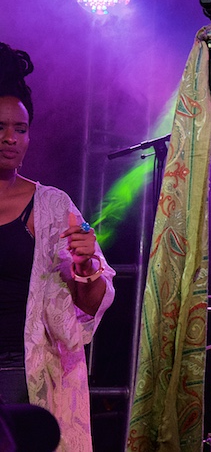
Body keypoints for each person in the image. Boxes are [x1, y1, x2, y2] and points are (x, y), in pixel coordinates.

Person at [0, 42, 116, 452]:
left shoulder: (52, 206)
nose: (11, 139)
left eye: (20, 129)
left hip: (21, 373)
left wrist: (86, 267)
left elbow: (89, 306)